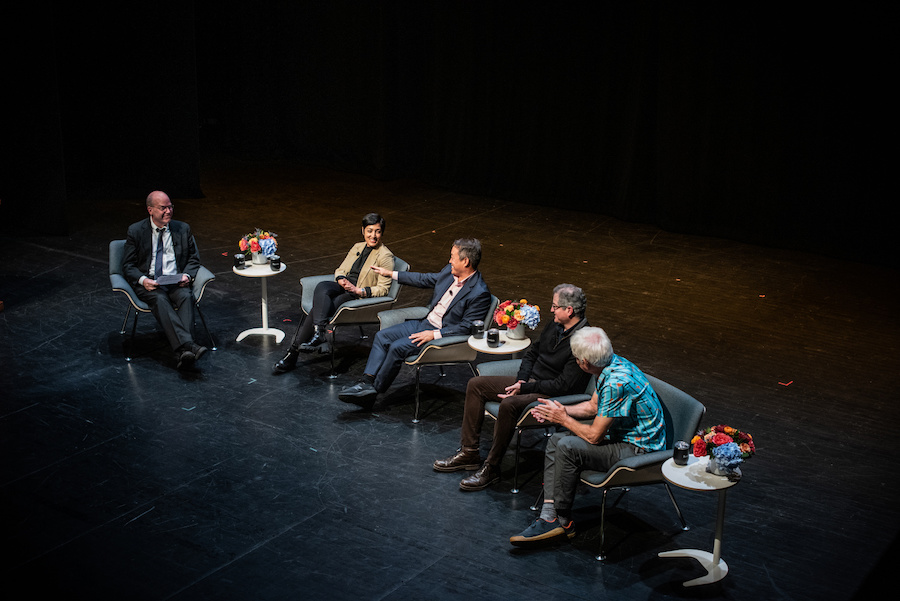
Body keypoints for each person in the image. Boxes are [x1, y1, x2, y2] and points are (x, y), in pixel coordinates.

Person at [509, 326, 666, 545]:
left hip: (640, 450)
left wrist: (562, 419)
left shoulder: (615, 382)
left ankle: (562, 521)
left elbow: (594, 437)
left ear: (584, 363)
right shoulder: (609, 365)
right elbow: (593, 407)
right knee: (556, 439)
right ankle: (550, 515)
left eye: (576, 359)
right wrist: (558, 411)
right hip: (622, 436)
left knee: (567, 446)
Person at [433, 284, 592, 491]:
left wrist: (526, 388)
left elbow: (564, 386)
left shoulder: (583, 339)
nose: (551, 310)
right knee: (476, 385)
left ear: (569, 310)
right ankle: (469, 452)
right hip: (531, 383)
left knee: (509, 404)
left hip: (551, 393)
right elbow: (533, 353)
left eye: (555, 306)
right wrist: (521, 380)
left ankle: (492, 468)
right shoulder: (555, 325)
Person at [338, 238, 491, 407]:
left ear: (466, 261)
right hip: (425, 322)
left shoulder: (479, 293)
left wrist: (434, 334)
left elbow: (467, 327)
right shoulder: (449, 271)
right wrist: (391, 274)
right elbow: (425, 279)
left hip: (440, 334)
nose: (449, 261)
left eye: (453, 257)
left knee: (397, 347)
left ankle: (374, 390)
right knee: (382, 337)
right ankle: (365, 383)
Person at [273, 213, 394, 373]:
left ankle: (293, 354)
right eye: (370, 231)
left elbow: (384, 289)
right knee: (322, 286)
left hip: (356, 295)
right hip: (344, 285)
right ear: (363, 230)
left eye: (377, 231)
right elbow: (341, 268)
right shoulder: (358, 247)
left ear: (382, 233)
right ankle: (320, 333)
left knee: (318, 308)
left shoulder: (385, 256)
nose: (373, 235)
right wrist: (341, 278)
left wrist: (359, 290)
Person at [122, 191, 207, 370]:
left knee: (185, 296)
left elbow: (193, 259)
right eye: (163, 208)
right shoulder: (136, 231)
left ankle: (183, 353)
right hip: (150, 283)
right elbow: (128, 265)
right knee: (159, 298)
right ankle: (189, 346)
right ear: (150, 210)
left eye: (170, 207)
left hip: (175, 281)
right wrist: (143, 280)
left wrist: (188, 276)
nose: (168, 211)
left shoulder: (182, 228)